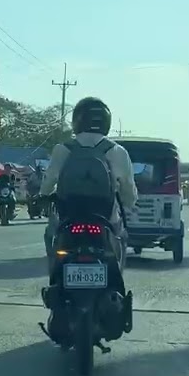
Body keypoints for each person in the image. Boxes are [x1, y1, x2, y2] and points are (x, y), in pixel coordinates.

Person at [40, 97, 138, 264]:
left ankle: (54, 278)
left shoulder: (62, 149)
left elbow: (49, 180)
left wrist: (43, 196)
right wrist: (129, 203)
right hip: (107, 218)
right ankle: (118, 283)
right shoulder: (117, 151)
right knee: (121, 237)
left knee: (51, 235)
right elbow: (128, 188)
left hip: (68, 218)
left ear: (77, 120)